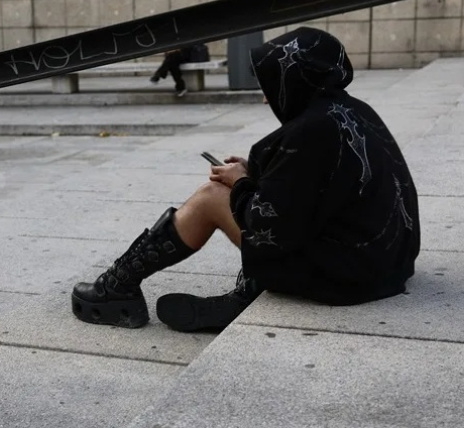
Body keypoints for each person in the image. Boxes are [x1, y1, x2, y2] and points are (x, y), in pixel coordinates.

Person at [71, 27, 420, 332]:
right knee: (232, 186)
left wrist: (240, 183)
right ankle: (248, 286)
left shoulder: (311, 130)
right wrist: (254, 174)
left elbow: (271, 225)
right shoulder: (352, 110)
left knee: (210, 196)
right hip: (386, 264)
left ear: (294, 79)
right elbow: (319, 185)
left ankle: (116, 289)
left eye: (271, 82)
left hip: (349, 278)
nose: (267, 95)